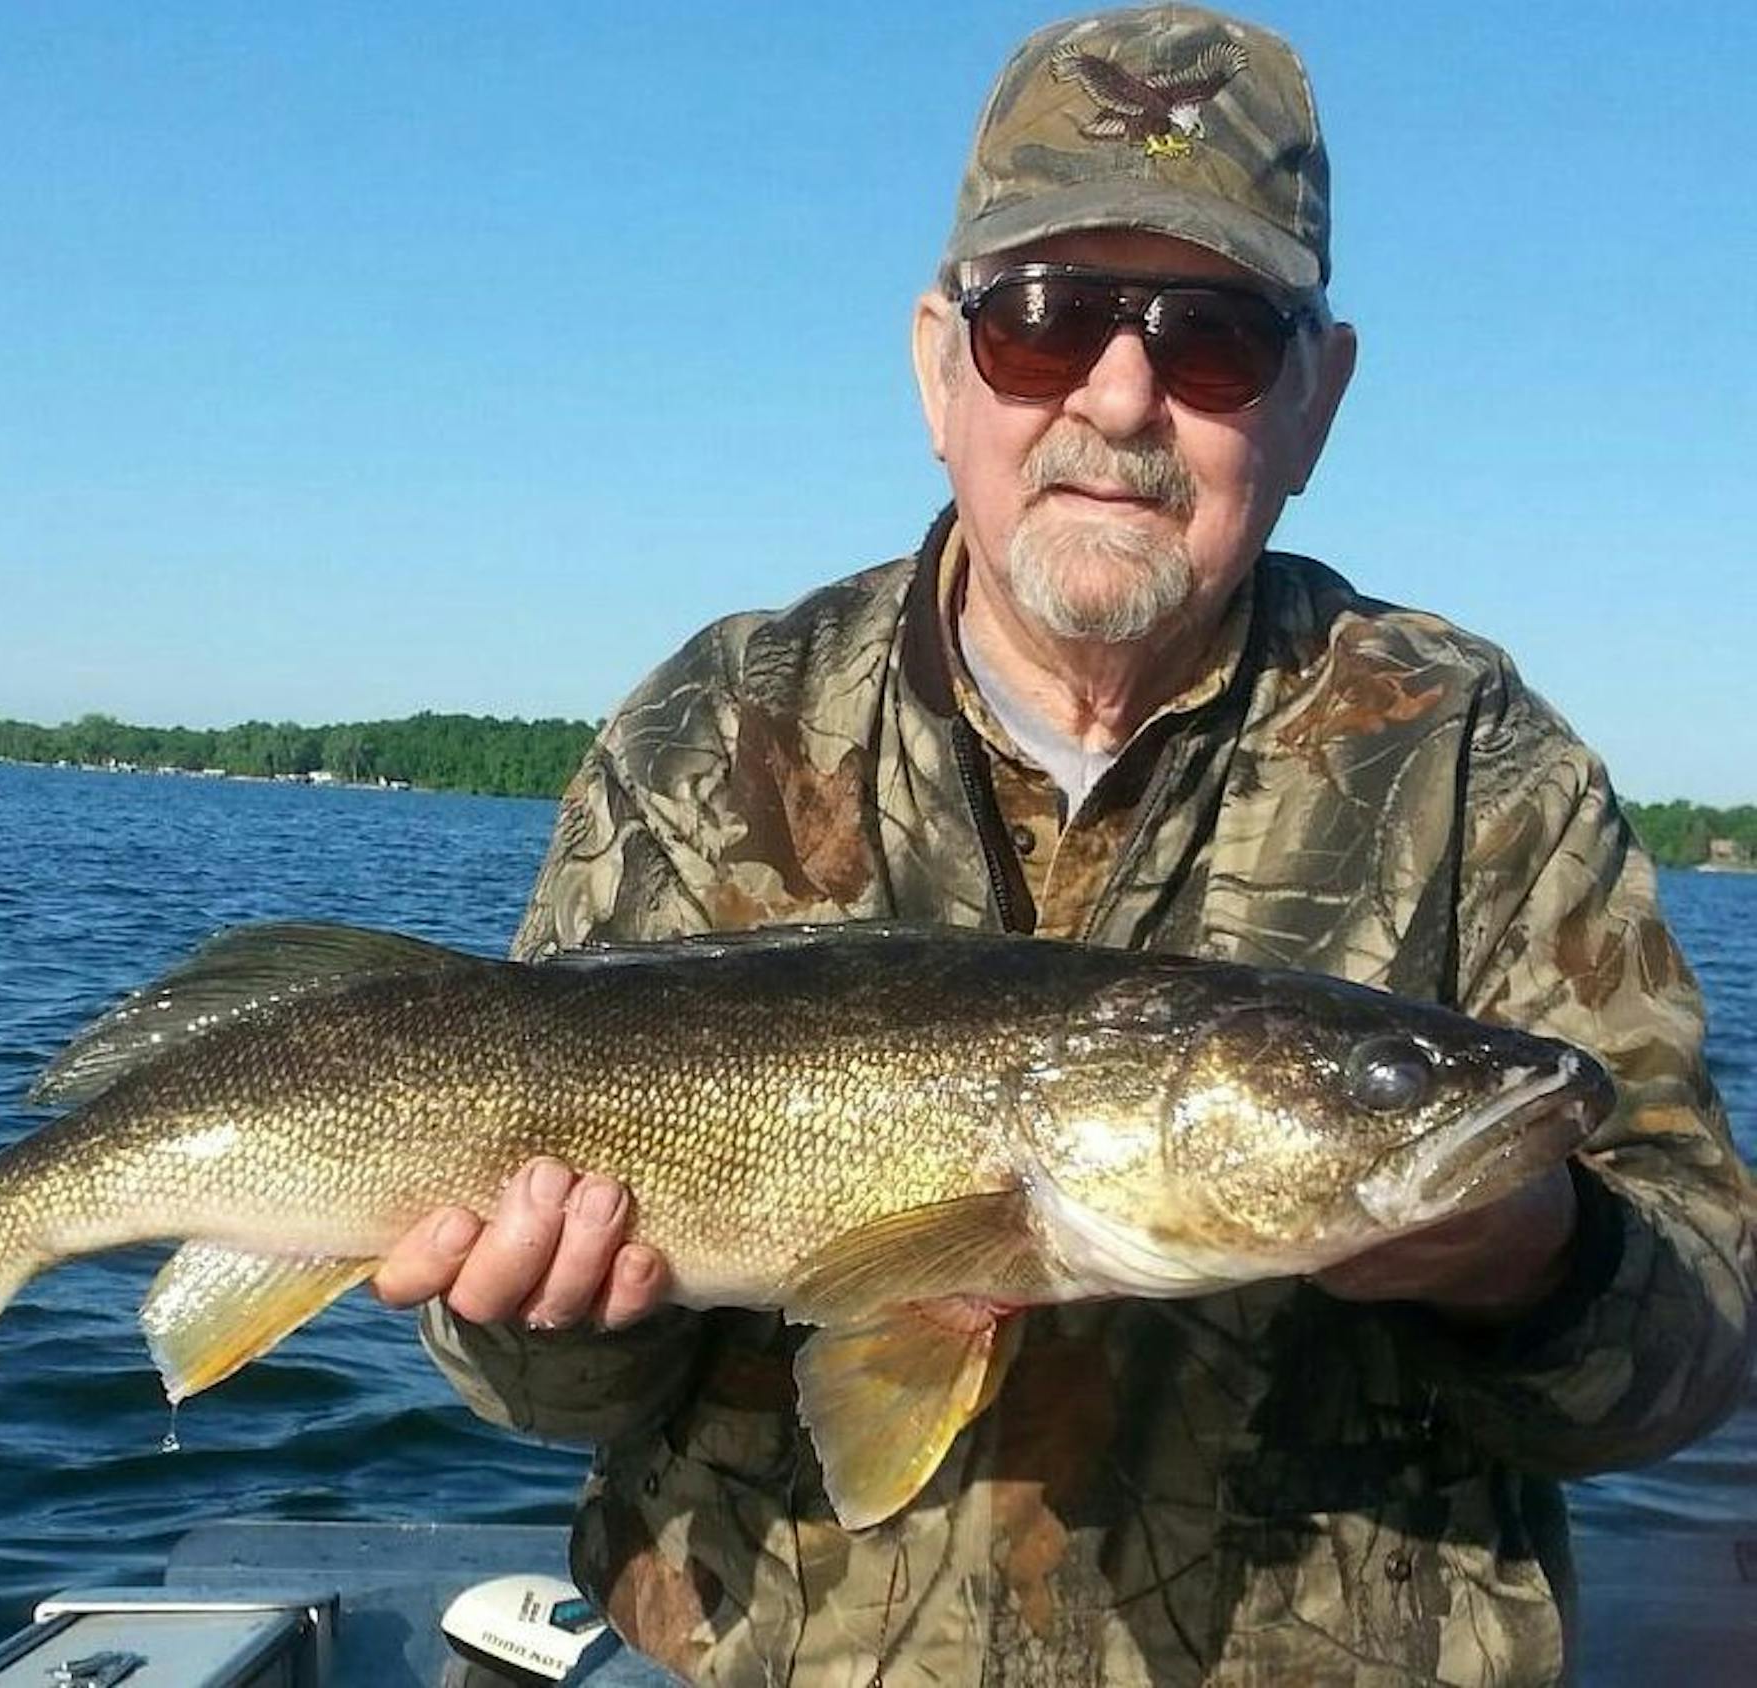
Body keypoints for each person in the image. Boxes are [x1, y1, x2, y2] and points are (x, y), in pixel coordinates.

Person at [373, 7, 1755, 1683]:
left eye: (1216, 337)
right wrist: (540, 1322)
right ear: (938, 366)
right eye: (1045, 321)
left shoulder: (1480, 765)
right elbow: (542, 1392)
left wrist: (1531, 1257)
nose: (1121, 393)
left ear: (1315, 399)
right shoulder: (713, 732)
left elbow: (1693, 1350)